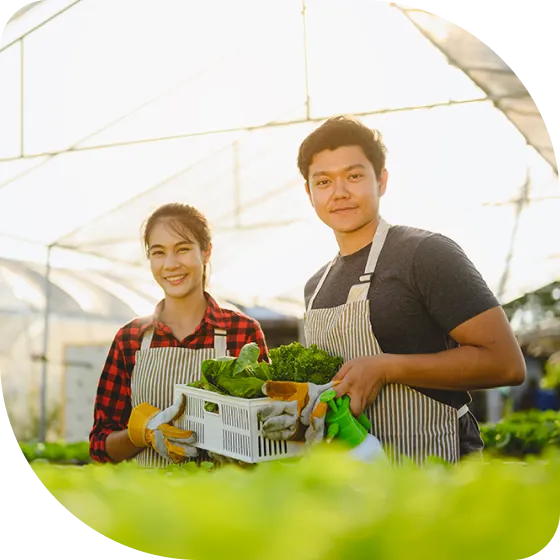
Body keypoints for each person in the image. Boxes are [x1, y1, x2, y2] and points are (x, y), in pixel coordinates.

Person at [259, 115, 526, 466]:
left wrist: (387, 368)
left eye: (354, 176)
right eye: (323, 181)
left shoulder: (425, 253)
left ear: (381, 180)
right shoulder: (316, 286)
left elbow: (506, 364)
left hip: (436, 461)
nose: (339, 192)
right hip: (356, 477)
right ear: (309, 194)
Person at [89, 202, 269, 468]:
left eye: (182, 249)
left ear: (206, 252)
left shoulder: (242, 332)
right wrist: (143, 433)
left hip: (226, 501)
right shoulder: (130, 339)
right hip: (148, 501)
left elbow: (266, 432)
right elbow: (100, 447)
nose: (170, 264)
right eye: (158, 253)